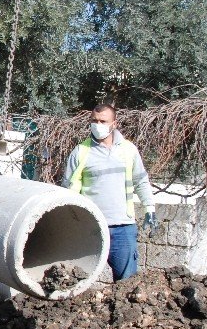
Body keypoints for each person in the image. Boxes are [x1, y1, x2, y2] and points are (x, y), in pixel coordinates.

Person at [63, 104, 157, 281]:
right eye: (94, 121)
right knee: (77, 279)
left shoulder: (128, 150)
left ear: (114, 123)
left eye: (102, 121)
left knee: (126, 283)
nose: (97, 125)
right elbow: (68, 189)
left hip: (122, 227)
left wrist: (149, 208)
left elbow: (141, 181)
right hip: (90, 227)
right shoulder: (81, 152)